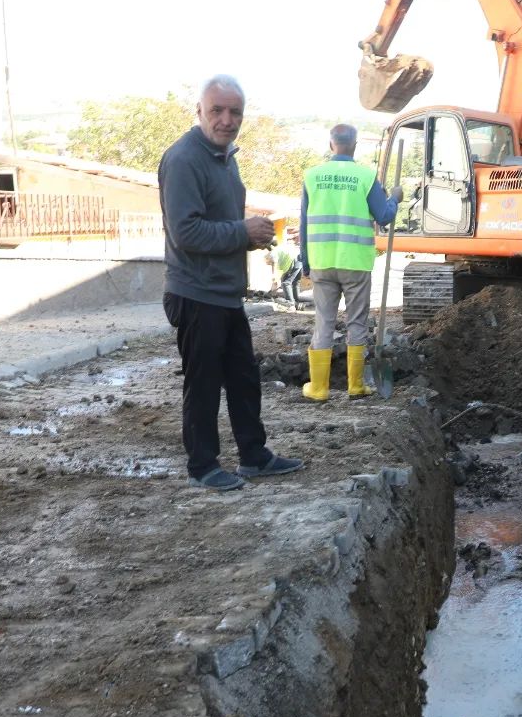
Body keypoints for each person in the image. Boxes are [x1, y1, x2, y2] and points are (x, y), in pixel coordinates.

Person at [159, 74, 304, 492]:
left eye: (234, 111)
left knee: (243, 377)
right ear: (199, 112)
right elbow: (186, 232)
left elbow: (217, 225)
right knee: (203, 383)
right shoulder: (184, 159)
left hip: (223, 292)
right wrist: (243, 233)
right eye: (217, 110)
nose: (226, 119)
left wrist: (251, 236)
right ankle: (202, 465)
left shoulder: (225, 156)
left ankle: (254, 456)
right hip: (194, 292)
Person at [299, 124, 402, 401]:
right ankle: (355, 385)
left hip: (322, 261)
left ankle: (319, 388)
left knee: (324, 323)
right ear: (354, 145)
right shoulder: (365, 177)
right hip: (355, 262)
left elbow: (304, 223)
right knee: (356, 322)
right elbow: (383, 215)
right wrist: (395, 198)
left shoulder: (313, 176)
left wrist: (306, 262)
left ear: (331, 144)